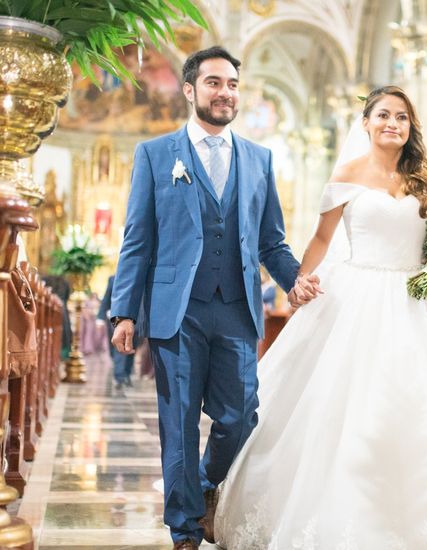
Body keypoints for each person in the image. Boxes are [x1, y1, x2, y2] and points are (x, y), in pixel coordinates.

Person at [214, 86, 427, 549]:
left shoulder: (424, 183)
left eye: (403, 118)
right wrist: (298, 282)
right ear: (367, 123)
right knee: (346, 410)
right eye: (384, 115)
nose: (393, 123)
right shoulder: (347, 174)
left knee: (425, 417)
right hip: (356, 298)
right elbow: (319, 241)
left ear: (411, 128)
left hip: (419, 305)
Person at [108, 46, 318, 550]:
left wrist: (295, 279)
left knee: (239, 416)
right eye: (214, 83)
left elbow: (272, 241)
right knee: (178, 424)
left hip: (238, 309)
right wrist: (123, 312)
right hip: (176, 312)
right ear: (190, 90)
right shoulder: (156, 156)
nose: (225, 92)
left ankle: (202, 488)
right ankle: (184, 530)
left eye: (232, 84)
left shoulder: (260, 160)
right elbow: (138, 239)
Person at [98, 275, 135, 389]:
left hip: (137, 318)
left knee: (132, 348)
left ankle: (127, 374)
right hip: (117, 317)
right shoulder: (113, 279)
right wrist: (100, 317)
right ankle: (119, 377)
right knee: (119, 346)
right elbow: (106, 298)